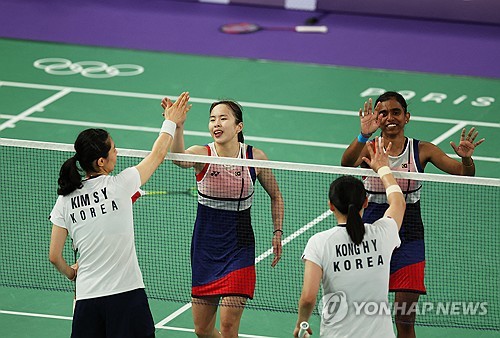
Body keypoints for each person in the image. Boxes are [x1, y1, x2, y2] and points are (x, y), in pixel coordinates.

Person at [340, 91, 485, 337]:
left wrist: (467, 160)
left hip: (410, 235)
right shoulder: (369, 148)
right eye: (382, 113)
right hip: (371, 234)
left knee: (405, 319)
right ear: (377, 118)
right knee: (363, 314)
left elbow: (463, 173)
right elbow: (346, 163)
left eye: (396, 112)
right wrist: (364, 135)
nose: (389, 118)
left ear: (407, 117)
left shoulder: (422, 150)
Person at [49, 92, 191, 338]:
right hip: (127, 297)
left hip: (87, 300)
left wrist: (72, 272)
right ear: (101, 161)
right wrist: (171, 121)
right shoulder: (120, 185)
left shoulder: (64, 199)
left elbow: (54, 256)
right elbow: (157, 155)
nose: (118, 152)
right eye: (114, 149)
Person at [163, 98, 284, 338]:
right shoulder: (203, 155)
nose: (216, 124)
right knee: (202, 330)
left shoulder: (254, 158)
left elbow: (276, 196)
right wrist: (178, 126)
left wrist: (277, 232)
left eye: (223, 118)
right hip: (205, 250)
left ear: (238, 127)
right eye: (212, 119)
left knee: (228, 328)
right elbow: (178, 158)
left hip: (239, 248)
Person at [294, 136, 406, 337]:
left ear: (330, 206)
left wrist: (302, 322)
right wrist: (383, 168)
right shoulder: (383, 233)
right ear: (365, 202)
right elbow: (398, 202)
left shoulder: (319, 243)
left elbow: (308, 298)